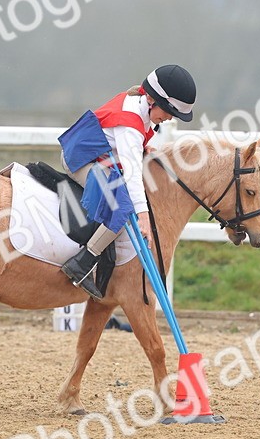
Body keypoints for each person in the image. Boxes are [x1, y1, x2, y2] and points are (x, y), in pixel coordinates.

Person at [58, 64, 196, 300]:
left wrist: (143, 148)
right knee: (122, 207)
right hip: (81, 160)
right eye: (169, 111)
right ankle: (83, 262)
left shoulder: (139, 106)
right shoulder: (130, 121)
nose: (171, 117)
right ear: (153, 101)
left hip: (99, 156)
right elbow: (131, 173)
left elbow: (127, 145)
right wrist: (142, 214)